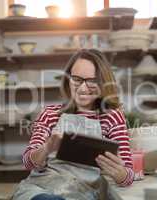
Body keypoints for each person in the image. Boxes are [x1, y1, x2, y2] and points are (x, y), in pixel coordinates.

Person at [13, 49, 134, 200]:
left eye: (92, 81)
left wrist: (120, 173)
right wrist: (46, 148)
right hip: (43, 189)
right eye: (77, 79)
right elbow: (27, 163)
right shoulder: (49, 114)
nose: (83, 88)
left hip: (85, 192)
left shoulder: (112, 117)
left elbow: (128, 176)